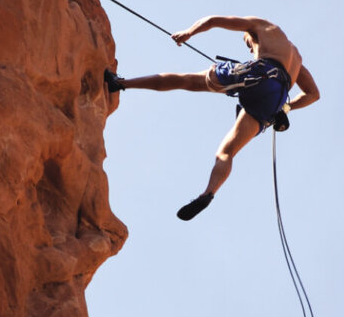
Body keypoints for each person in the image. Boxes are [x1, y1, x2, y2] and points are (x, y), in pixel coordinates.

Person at [105, 15, 319, 220]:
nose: (251, 49)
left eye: (248, 44)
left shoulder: (261, 26)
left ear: (252, 35)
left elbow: (214, 20)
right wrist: (287, 107)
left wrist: (188, 32)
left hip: (262, 74)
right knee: (226, 151)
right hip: (275, 99)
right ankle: (208, 193)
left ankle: (121, 84)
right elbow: (313, 94)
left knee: (186, 81)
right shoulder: (297, 61)